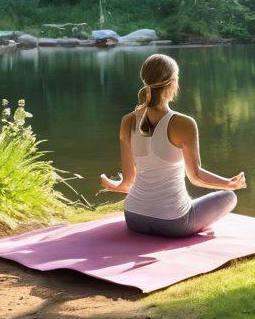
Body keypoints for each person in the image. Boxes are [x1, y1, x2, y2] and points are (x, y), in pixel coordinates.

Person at [100, 53, 246, 238]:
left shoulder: (127, 120)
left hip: (134, 217)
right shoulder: (183, 124)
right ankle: (193, 218)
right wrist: (229, 184)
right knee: (228, 197)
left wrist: (113, 184)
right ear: (173, 83)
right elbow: (196, 176)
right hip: (174, 223)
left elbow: (128, 182)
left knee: (185, 201)